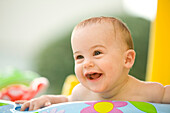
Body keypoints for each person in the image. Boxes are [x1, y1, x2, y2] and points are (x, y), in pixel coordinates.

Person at [16, 16, 170, 111]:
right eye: (79, 57)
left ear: (127, 59)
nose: (87, 63)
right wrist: (46, 99)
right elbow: (67, 101)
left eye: (97, 53)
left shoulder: (147, 92)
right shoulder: (82, 93)